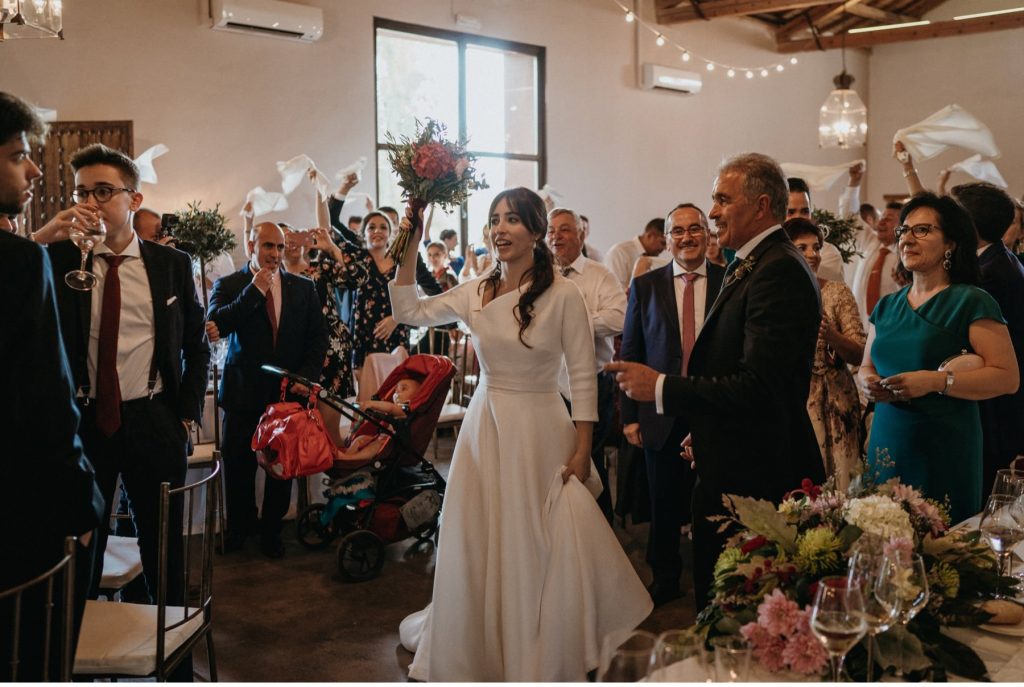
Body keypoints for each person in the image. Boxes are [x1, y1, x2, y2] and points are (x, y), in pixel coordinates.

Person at [392, 188, 651, 681]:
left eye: (513, 219)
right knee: (479, 537)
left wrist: (581, 450)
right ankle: (478, 644)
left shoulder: (564, 295)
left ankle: (535, 649)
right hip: (483, 428)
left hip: (539, 429)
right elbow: (410, 311)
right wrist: (410, 241)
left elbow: (581, 379)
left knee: (535, 542)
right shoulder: (476, 288)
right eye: (495, 219)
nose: (501, 228)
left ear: (536, 230)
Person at [608, 153, 824, 611]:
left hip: (756, 473)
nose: (713, 212)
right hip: (732, 453)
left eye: (723, 200)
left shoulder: (778, 269)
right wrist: (705, 430)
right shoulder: (753, 262)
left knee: (740, 613)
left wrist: (661, 387)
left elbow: (758, 387)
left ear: (761, 205)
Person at [36, 144, 210, 617]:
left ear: (133, 199)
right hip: (85, 422)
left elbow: (197, 346)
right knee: (79, 552)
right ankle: (80, 664)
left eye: (104, 191)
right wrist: (42, 236)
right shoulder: (57, 262)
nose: (91, 203)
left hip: (152, 418)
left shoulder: (171, 265)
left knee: (163, 552)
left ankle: (173, 663)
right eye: (82, 192)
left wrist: (185, 416)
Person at [0, 91, 104, 681]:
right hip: (20, 513)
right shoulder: (20, 263)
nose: (35, 169)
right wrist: (83, 503)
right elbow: (46, 399)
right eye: (19, 155)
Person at [859, 193, 1019, 523]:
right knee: (882, 536)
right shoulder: (889, 305)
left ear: (951, 244)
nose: (907, 239)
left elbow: (1007, 377)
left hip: (943, 443)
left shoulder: (972, 301)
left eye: (923, 230)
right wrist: (867, 382)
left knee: (941, 550)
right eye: (904, 230)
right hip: (888, 437)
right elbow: (867, 363)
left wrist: (935, 381)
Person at [620, 202, 725, 606]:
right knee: (663, 503)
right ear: (666, 240)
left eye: (695, 228)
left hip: (712, 410)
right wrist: (629, 416)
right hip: (659, 413)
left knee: (712, 503)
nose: (686, 237)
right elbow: (631, 351)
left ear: (707, 234)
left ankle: (715, 582)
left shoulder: (728, 280)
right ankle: (664, 577)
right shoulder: (646, 287)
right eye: (677, 231)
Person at [207, 221, 328, 558]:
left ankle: (272, 531)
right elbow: (219, 324)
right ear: (251, 246)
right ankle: (239, 528)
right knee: (239, 466)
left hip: (285, 395)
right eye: (268, 247)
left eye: (278, 247)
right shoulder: (229, 284)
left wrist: (305, 377)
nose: (275, 254)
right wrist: (255, 291)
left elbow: (318, 338)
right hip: (242, 392)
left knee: (281, 468)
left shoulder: (303, 287)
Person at [546, 206, 627, 523]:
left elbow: (620, 317)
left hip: (592, 385)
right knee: (553, 459)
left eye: (564, 229)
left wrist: (574, 324)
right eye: (551, 231)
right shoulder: (541, 276)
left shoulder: (599, 274)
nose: (556, 236)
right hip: (549, 386)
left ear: (581, 234)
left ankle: (598, 529)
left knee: (587, 459)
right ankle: (560, 526)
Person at [947, 183, 1024, 495]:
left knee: (983, 487)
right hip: (1001, 405)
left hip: (994, 406)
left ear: (967, 224)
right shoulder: (998, 259)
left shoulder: (988, 273)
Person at [783, 218, 865, 491]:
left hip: (836, 400)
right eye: (802, 247)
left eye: (816, 247)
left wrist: (833, 336)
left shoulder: (837, 292)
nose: (812, 254)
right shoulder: (775, 294)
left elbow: (859, 354)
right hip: (794, 399)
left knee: (842, 482)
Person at [335, 211, 442, 375]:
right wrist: (341, 189)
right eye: (371, 227)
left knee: (395, 388)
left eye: (383, 227)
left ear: (390, 233)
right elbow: (332, 219)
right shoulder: (357, 257)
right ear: (363, 233)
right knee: (367, 392)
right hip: (364, 333)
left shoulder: (402, 259)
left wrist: (397, 318)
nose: (377, 231)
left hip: (395, 334)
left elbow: (427, 291)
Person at [280, 224, 356, 398]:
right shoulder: (274, 279)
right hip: (296, 356)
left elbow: (356, 278)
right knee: (299, 421)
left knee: (329, 421)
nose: (291, 243)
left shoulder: (322, 268)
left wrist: (331, 248)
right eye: (284, 240)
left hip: (332, 347)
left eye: (294, 237)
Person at [786, 176, 845, 282]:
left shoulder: (829, 255)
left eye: (805, 211)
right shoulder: (770, 248)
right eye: (790, 212)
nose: (798, 218)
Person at [603, 217, 668, 290]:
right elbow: (616, 292)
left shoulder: (655, 260)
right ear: (650, 235)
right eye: (663, 243)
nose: (665, 248)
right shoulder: (619, 252)